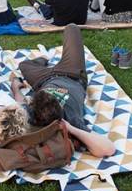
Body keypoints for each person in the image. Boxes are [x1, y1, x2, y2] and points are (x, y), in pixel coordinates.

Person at [12, 24, 115, 158]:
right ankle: (45, 59)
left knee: (24, 65)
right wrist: (71, 129)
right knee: (72, 28)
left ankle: (44, 58)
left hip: (46, 78)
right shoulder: (70, 120)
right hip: (72, 73)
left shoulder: (39, 114)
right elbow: (109, 149)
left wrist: (15, 88)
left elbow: (20, 102)